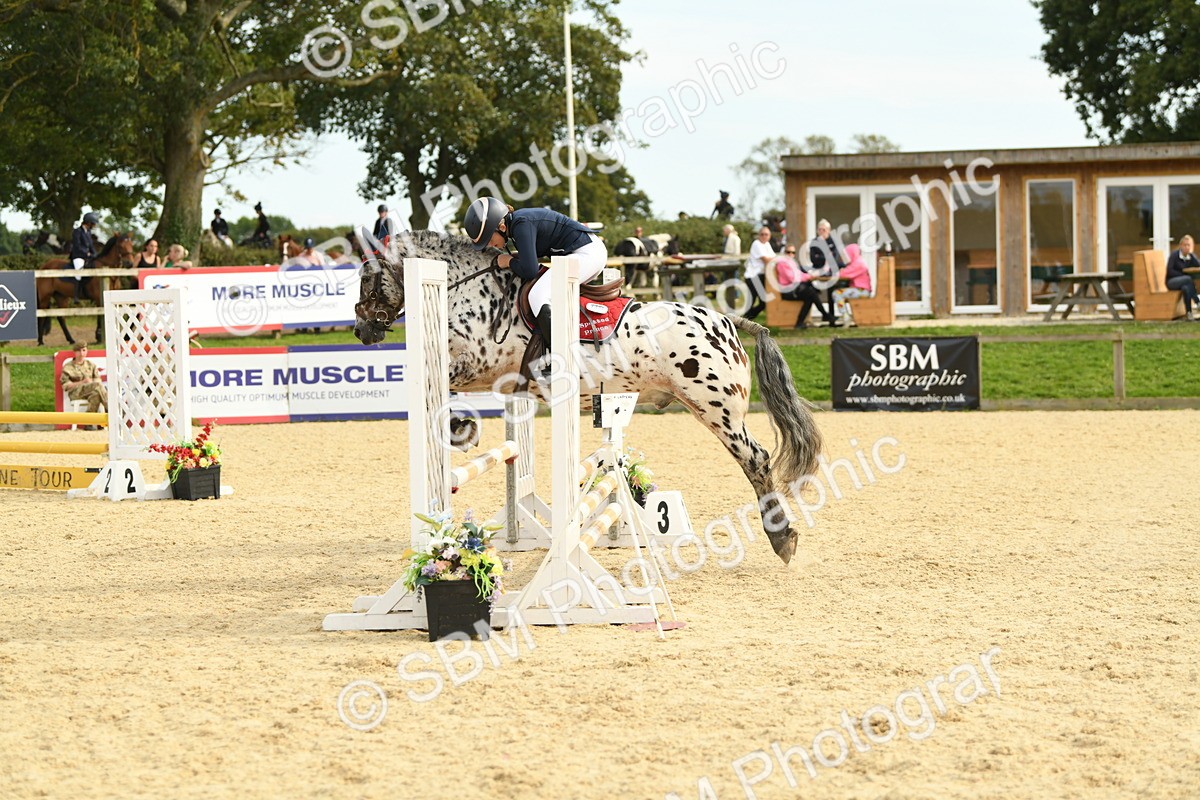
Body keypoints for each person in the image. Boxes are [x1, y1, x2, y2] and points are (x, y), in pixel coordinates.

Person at [463, 196, 606, 374]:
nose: (492, 245)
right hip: (582, 253)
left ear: (500, 227)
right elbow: (530, 257)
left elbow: (530, 270)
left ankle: (563, 357)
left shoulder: (521, 224)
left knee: (538, 294)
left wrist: (508, 261)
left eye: (490, 239)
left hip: (587, 254)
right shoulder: (518, 224)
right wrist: (512, 259)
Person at [774, 245, 832, 328]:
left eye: (793, 252)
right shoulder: (782, 264)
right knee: (811, 293)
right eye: (788, 252)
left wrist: (810, 275)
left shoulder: (791, 263)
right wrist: (809, 277)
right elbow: (793, 278)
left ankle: (800, 323)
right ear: (784, 253)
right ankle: (825, 315)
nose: (790, 254)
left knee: (810, 296)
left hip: (794, 289)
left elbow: (799, 274)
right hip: (788, 291)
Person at [60, 342, 107, 420]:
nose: (81, 353)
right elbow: (65, 386)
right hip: (76, 392)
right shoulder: (68, 367)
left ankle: (89, 422)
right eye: (79, 351)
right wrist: (82, 382)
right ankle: (110, 408)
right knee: (97, 386)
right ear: (74, 352)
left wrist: (91, 382)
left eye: (84, 350)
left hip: (91, 390)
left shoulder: (90, 365)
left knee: (95, 394)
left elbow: (98, 379)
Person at [831, 243, 873, 327]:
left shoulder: (858, 263)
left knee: (836, 293)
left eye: (847, 254)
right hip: (860, 290)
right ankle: (846, 315)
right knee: (839, 292)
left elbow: (845, 273)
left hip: (862, 291)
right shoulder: (857, 262)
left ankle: (845, 316)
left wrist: (840, 271)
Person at [743, 226, 775, 320]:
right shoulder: (757, 244)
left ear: (769, 236)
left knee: (761, 301)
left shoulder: (767, 244)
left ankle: (745, 320)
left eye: (766, 234)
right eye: (762, 234)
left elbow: (773, 258)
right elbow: (767, 260)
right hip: (753, 276)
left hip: (760, 276)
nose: (764, 236)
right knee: (756, 300)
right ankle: (744, 320)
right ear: (759, 235)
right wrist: (773, 259)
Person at [1166, 234, 1200, 320]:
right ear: (1181, 245)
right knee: (1188, 279)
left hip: (1184, 282)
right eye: (1185, 245)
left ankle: (1189, 313)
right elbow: (1170, 271)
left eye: (1189, 245)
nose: (1187, 247)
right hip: (1171, 282)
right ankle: (1198, 302)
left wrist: (1192, 255)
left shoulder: (1190, 256)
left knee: (1186, 288)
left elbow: (1198, 265)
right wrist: (1182, 275)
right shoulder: (1174, 255)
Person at [69, 212, 99, 298]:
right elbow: (77, 246)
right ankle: (76, 295)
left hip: (87, 256)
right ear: (89, 223)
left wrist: (95, 254)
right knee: (79, 273)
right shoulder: (77, 231)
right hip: (78, 256)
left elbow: (91, 245)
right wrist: (87, 253)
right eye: (93, 223)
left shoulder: (88, 232)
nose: (94, 225)